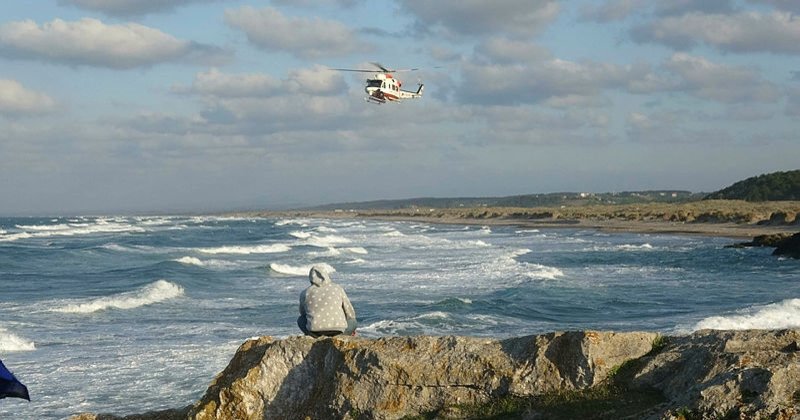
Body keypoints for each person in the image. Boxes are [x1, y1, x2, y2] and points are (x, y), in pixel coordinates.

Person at [297, 265, 357, 337]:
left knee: (300, 320)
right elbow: (350, 312)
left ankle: (313, 336)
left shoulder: (305, 292)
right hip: (338, 331)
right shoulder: (337, 288)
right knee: (353, 322)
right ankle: (344, 335)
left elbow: (303, 313)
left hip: (315, 331)